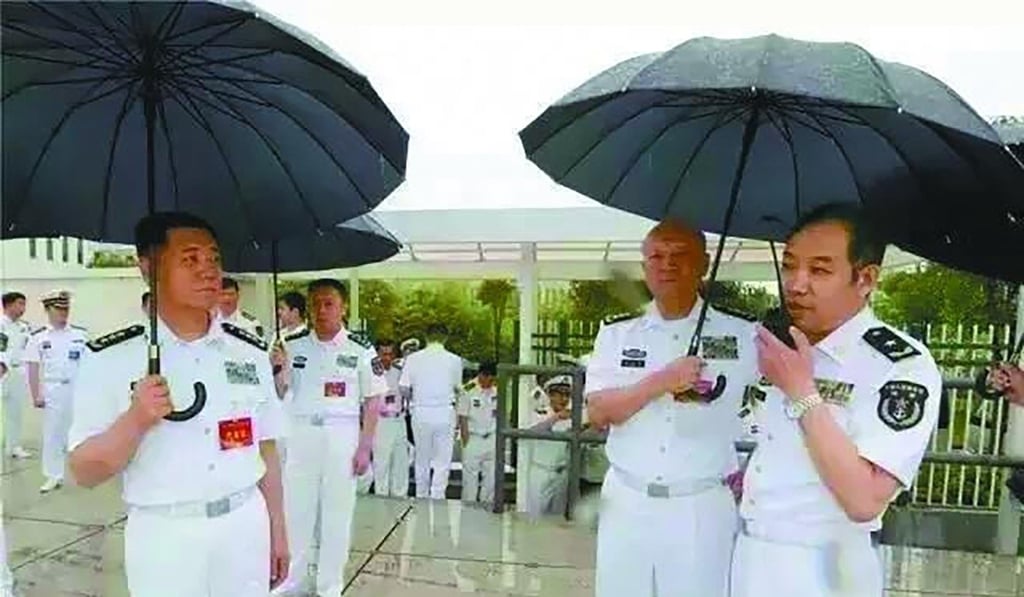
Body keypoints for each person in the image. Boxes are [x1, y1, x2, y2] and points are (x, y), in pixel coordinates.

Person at [66, 212, 289, 596]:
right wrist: (135, 420)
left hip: (244, 526)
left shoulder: (248, 351)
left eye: (214, 259)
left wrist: (277, 529)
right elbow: (83, 471)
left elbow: (266, 444)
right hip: (165, 536)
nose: (208, 271)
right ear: (148, 267)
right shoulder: (110, 357)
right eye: (190, 259)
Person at [731, 204, 943, 597]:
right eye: (790, 266)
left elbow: (864, 499)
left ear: (865, 278)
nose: (796, 284)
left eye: (820, 270)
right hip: (751, 555)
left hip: (826, 569)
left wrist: (802, 392)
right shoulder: (783, 345)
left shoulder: (899, 366)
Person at [584, 219, 758, 597]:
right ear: (644, 266)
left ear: (705, 264)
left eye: (680, 256)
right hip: (627, 501)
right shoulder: (617, 334)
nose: (667, 265)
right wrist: (662, 381)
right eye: (657, 256)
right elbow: (598, 412)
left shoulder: (744, 335)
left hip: (701, 505)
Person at [270, 278, 385, 597]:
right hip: (302, 432)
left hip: (342, 433)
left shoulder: (360, 350)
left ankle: (329, 585)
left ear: (343, 307)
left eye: (328, 303)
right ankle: (292, 581)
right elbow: (280, 393)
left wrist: (365, 447)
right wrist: (277, 369)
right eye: (315, 304)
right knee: (297, 510)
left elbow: (373, 399)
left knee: (337, 513)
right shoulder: (292, 346)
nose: (321, 310)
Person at [24, 290, 89, 493]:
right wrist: (36, 394)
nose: (63, 312)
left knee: (81, 432)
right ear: (48, 310)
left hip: (78, 389)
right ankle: (53, 475)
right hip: (54, 389)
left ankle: (84, 473)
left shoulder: (80, 334)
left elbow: (91, 364)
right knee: (53, 434)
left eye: (66, 308)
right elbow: (33, 366)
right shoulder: (38, 337)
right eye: (58, 309)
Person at [400, 323, 463, 499]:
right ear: (445, 338)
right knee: (443, 460)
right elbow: (458, 388)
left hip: (420, 410)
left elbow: (403, 387)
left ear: (426, 337)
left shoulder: (412, 359)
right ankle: (438, 496)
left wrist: (414, 398)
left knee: (422, 458)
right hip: (444, 411)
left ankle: (421, 496)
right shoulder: (454, 360)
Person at [524, 375, 574, 516]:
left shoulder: (572, 416)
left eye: (567, 395)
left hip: (561, 473)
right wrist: (556, 418)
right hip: (541, 471)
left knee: (557, 518)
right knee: (536, 515)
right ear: (550, 395)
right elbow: (531, 432)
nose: (564, 399)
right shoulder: (541, 413)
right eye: (559, 395)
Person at [457, 362, 499, 505]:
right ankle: (469, 507)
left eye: (494, 379)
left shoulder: (496, 390)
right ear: (481, 375)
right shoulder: (467, 390)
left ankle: (486, 505)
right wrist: (465, 441)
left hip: (491, 437)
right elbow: (462, 417)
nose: (491, 382)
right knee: (470, 479)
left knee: (491, 478)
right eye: (489, 379)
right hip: (473, 437)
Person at [373, 338, 410, 498]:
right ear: (377, 354)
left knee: (401, 461)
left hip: (399, 420)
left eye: (390, 354)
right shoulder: (371, 373)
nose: (387, 358)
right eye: (383, 354)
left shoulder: (400, 372)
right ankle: (381, 496)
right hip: (380, 421)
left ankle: (399, 496)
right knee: (381, 462)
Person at [1, 291, 33, 459]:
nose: (23, 308)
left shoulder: (24, 327)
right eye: (19, 304)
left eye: (24, 304)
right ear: (8, 305)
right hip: (1, 371)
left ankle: (13, 446)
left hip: (18, 371)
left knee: (15, 411)